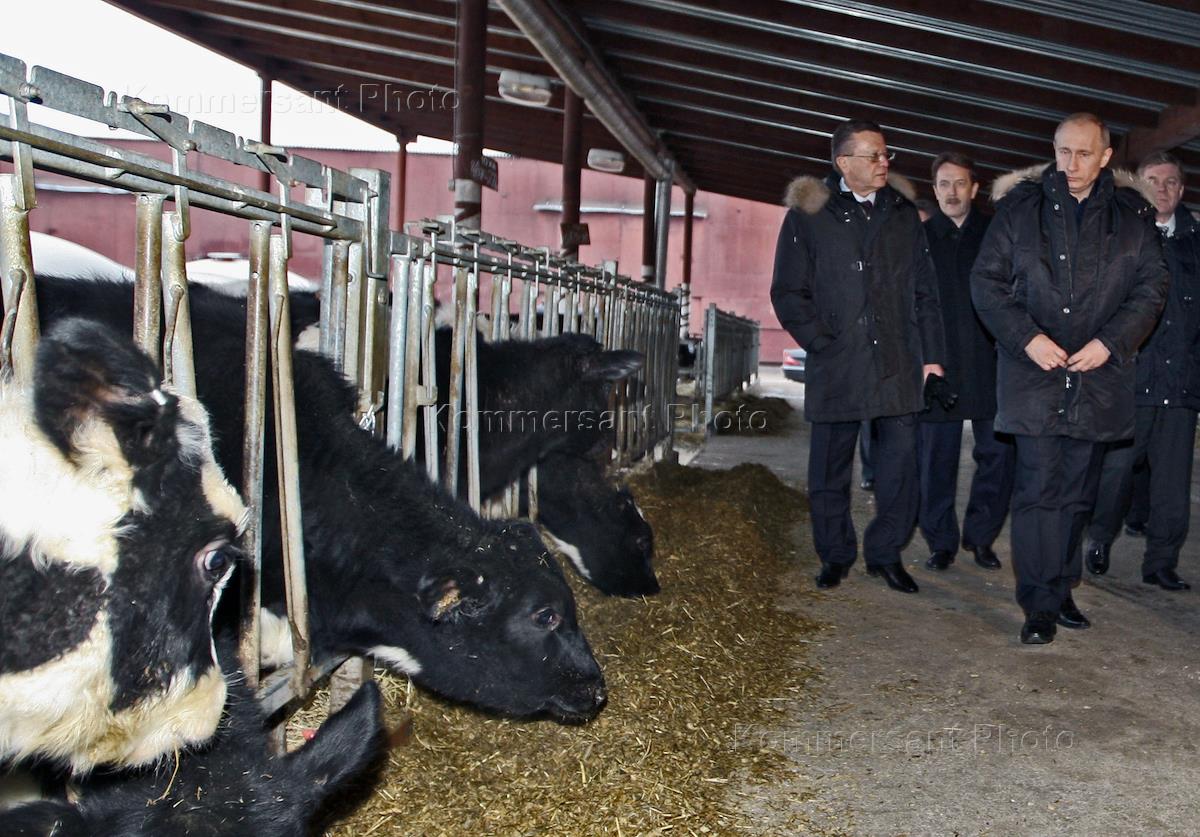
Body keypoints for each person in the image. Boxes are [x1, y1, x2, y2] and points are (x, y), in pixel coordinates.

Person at [970, 113, 1169, 644]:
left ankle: (1061, 587)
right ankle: (1038, 602)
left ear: (1105, 157)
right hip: (1034, 374)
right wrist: (1026, 338)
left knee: (1079, 493)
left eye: (1084, 153)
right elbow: (986, 282)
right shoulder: (1019, 211)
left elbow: (1151, 288)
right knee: (1039, 490)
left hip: (1096, 377)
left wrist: (1110, 343)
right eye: (1063, 151)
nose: (1072, 163)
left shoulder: (1132, 219)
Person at [772, 118, 945, 594]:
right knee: (829, 468)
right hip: (838, 360)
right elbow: (788, 291)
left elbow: (926, 292)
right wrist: (820, 341)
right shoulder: (809, 215)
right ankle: (835, 555)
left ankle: (886, 554)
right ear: (843, 162)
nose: (884, 162)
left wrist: (931, 358)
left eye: (886, 153)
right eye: (873, 155)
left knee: (900, 467)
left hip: (897, 361)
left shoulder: (902, 214)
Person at [1083, 151, 1200, 590]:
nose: (1163, 189)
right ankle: (1099, 539)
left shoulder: (1196, 243)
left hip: (1181, 382)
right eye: (1154, 180)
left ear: (1182, 189)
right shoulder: (1123, 236)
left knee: (1172, 484)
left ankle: (1161, 562)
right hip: (1131, 380)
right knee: (1116, 474)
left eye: (1171, 182)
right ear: (1140, 186)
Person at [919, 153, 1015, 573]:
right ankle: (940, 541)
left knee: (997, 455)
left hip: (989, 361)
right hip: (938, 362)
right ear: (934, 189)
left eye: (960, 183)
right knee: (935, 459)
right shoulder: (921, 239)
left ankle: (981, 537)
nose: (952, 192)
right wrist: (924, 360)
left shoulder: (997, 234)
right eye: (944, 184)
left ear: (975, 189)